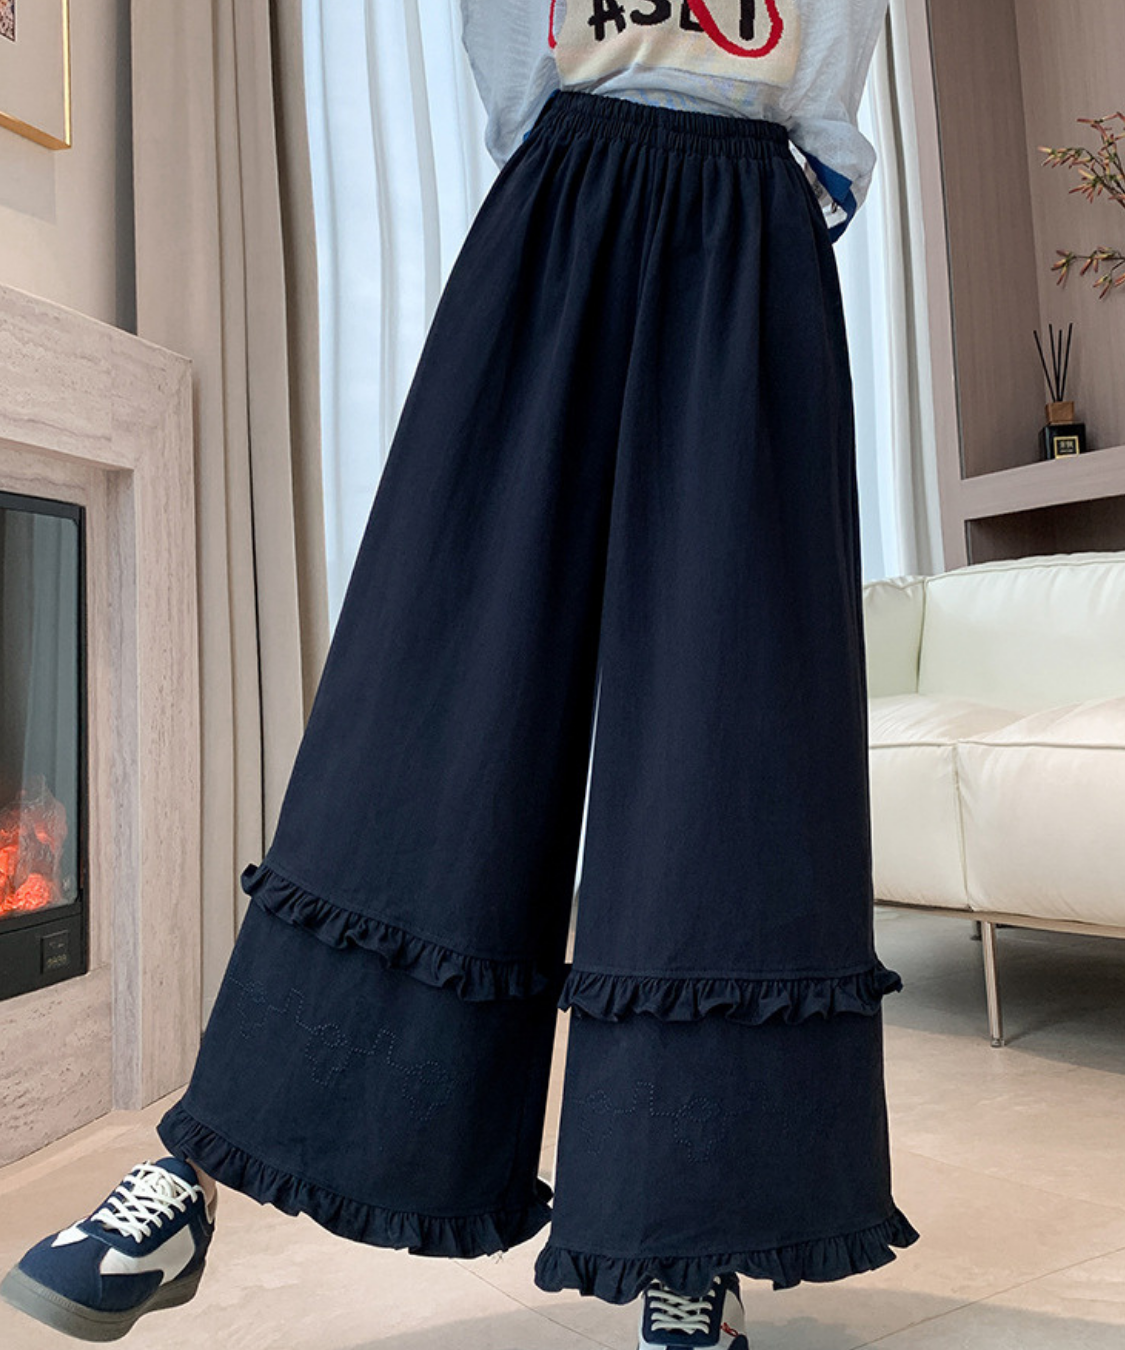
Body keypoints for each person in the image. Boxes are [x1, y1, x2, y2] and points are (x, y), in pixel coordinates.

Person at [0, 1, 921, 1344]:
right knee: (430, 684)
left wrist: (763, 218)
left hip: (750, 238)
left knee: (728, 739)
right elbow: (509, 60)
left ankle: (691, 1238)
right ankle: (200, 1165)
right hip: (561, 208)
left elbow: (831, 86)